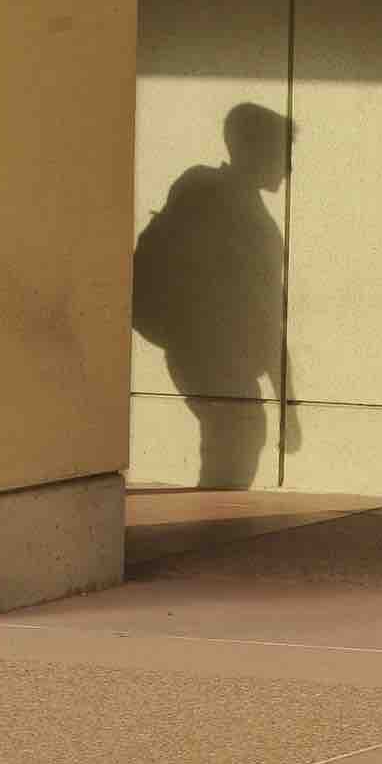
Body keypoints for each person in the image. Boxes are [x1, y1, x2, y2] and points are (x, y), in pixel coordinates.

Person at [132, 103, 292, 486]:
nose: (288, 167)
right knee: (239, 437)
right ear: (255, 149)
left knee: (236, 438)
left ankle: (212, 522)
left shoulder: (205, 191)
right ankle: (213, 526)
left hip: (202, 354)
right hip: (212, 355)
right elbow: (264, 309)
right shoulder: (231, 206)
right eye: (283, 154)